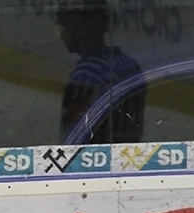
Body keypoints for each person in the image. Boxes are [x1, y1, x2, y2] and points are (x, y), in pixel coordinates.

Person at [57, 0, 144, 145]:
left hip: (95, 156)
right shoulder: (128, 64)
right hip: (126, 154)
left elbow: (75, 136)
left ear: (82, 29)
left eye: (66, 26)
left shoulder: (86, 73)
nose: (62, 35)